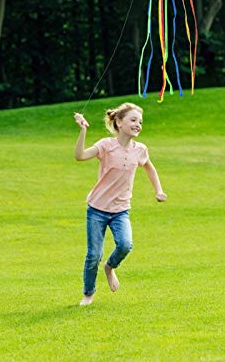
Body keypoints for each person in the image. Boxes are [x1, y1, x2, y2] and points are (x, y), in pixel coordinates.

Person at [74, 103, 167, 306]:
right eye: (133, 120)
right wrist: (83, 131)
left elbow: (150, 169)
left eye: (140, 121)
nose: (138, 124)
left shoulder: (140, 150)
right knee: (93, 255)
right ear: (119, 122)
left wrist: (158, 190)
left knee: (125, 245)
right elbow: (80, 156)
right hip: (97, 209)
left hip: (121, 210)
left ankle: (110, 267)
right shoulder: (106, 145)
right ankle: (88, 293)